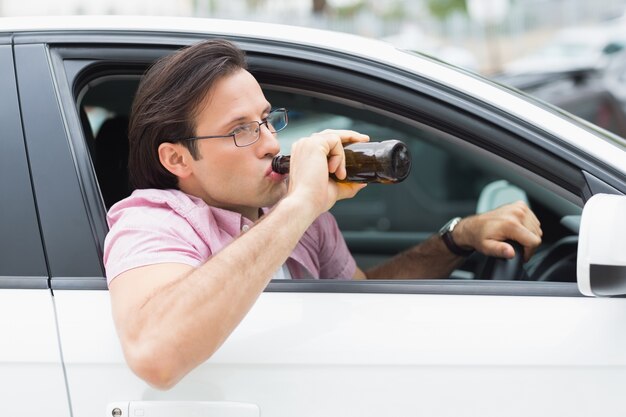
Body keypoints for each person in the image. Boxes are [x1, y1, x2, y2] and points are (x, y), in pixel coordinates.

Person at [104, 39, 542, 390]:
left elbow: (356, 299)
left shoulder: (292, 216)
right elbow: (154, 356)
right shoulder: (152, 220)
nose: (272, 144)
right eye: (241, 130)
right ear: (178, 159)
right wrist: (299, 204)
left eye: (267, 120)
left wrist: (456, 238)